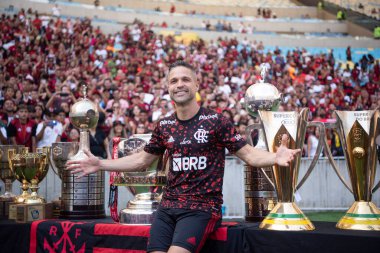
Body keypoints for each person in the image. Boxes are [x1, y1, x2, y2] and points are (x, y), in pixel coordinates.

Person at [67, 61, 301, 253]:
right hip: (167, 208)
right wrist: (99, 163)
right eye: (174, 81)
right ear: (168, 88)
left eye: (185, 79)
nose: (180, 84)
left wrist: (275, 157)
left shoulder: (216, 121)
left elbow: (249, 155)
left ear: (197, 85)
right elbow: (141, 161)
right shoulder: (165, 125)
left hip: (201, 208)